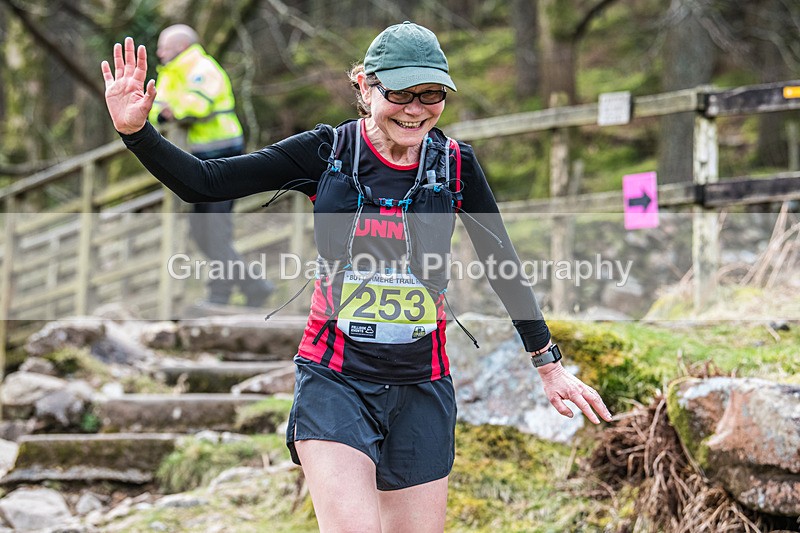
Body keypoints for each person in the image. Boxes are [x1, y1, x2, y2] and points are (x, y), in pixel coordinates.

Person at [102, 21, 613, 532]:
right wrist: (137, 133)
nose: (416, 110)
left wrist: (548, 366)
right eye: (400, 93)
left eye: (431, 94)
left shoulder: (455, 164)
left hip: (421, 386)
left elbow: (503, 263)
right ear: (366, 87)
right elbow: (204, 182)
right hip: (335, 381)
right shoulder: (326, 153)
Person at [150, 24, 273, 307]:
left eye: (163, 46)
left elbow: (197, 104)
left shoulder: (202, 67)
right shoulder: (170, 73)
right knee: (200, 232)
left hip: (224, 156)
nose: (159, 52)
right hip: (198, 159)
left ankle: (220, 296)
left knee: (216, 230)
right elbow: (157, 107)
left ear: (181, 46)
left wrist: (174, 109)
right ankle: (255, 286)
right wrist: (165, 111)